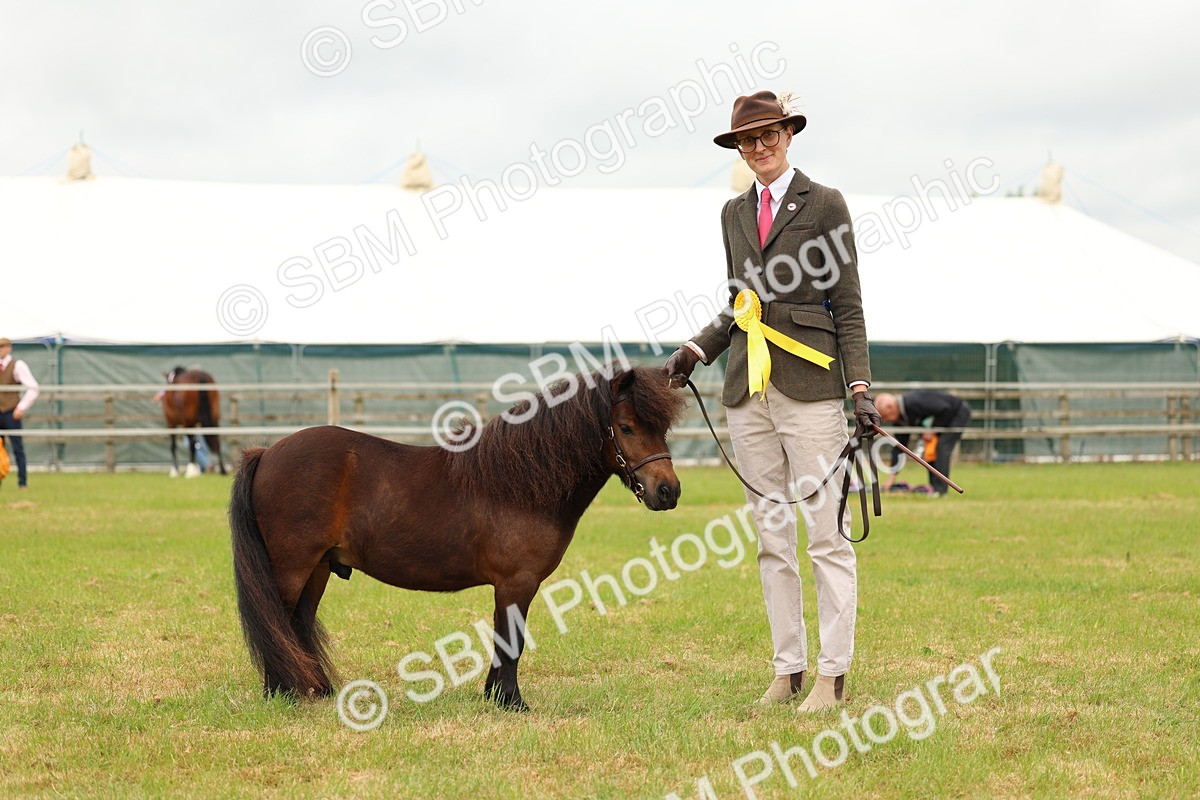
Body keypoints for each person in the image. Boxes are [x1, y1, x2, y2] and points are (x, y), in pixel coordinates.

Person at [662, 91, 880, 712]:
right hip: (746, 391)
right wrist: (696, 350)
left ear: (788, 134)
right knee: (770, 536)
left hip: (811, 386)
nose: (759, 147)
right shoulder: (732, 213)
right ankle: (788, 670)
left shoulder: (826, 204)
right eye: (747, 140)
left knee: (826, 535)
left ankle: (832, 676)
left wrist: (859, 387)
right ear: (738, 147)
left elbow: (850, 304)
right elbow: (740, 305)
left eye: (769, 135)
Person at [875, 391, 971, 496]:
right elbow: (899, 448)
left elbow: (945, 408)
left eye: (884, 416)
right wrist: (892, 478)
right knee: (930, 449)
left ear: (890, 407)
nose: (885, 420)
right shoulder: (900, 420)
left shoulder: (913, 402)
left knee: (942, 448)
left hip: (957, 412)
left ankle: (940, 490)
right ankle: (934, 488)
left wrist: (932, 429)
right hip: (941, 419)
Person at [0, 337, 40, 489]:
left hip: (10, 412)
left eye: (2, 347)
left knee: (18, 448)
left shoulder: (17, 365)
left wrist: (21, 407)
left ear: (9, 348)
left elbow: (33, 387)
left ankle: (22, 482)